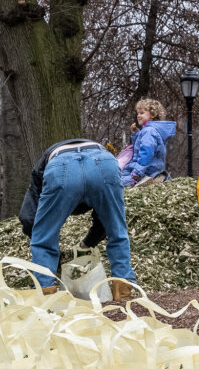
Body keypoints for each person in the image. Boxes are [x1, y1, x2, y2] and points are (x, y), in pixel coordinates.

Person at [20, 139, 136, 300]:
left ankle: (45, 291)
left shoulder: (40, 171)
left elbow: (29, 219)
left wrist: (46, 242)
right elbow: (105, 222)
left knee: (43, 238)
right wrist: (88, 244)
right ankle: (123, 290)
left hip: (61, 166)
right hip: (104, 163)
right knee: (117, 231)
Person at [121, 99, 176, 186]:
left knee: (119, 184)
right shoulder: (150, 131)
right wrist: (136, 134)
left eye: (142, 113)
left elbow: (146, 153)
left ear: (153, 115)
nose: (138, 116)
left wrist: (137, 173)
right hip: (150, 170)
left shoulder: (148, 131)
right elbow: (140, 148)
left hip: (145, 173)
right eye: (138, 113)